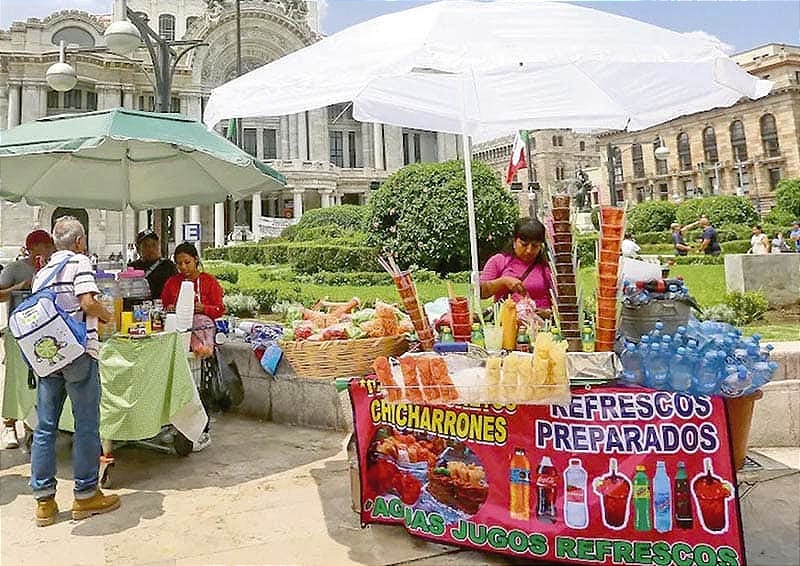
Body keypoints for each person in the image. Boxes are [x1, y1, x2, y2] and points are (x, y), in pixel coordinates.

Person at [29, 216, 120, 527]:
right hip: (78, 354)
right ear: (80, 242)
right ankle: (85, 495)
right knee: (85, 426)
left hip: (48, 356)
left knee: (45, 428)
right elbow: (87, 302)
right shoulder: (80, 262)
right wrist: (107, 315)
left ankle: (44, 502)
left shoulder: (42, 273)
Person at [161, 242, 225, 452]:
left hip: (202, 339)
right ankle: (177, 425)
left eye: (187, 262)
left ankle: (201, 429)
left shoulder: (208, 282)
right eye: (179, 263)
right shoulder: (172, 283)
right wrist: (172, 307)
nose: (184, 267)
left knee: (198, 385)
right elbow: (164, 305)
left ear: (196, 260)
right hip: (178, 337)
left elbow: (219, 309)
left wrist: (203, 308)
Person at [0, 230, 56, 450]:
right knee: (16, 379)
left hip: (44, 333)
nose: (49, 250)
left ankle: (35, 423)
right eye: (44, 246)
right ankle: (10, 424)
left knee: (39, 380)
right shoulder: (14, 268)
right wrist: (20, 287)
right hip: (18, 332)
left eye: (50, 246)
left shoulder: (52, 267)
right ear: (32, 248)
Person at [479, 218, 553, 314]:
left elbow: (559, 301)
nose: (529, 250)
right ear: (514, 242)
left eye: (535, 246)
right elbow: (480, 292)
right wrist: (503, 281)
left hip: (541, 325)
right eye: (524, 244)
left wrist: (548, 313)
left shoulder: (546, 267)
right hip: (508, 322)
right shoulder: (499, 261)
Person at [129, 229, 178, 300]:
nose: (151, 249)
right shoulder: (132, 268)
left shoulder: (168, 265)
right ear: (138, 248)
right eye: (146, 246)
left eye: (154, 245)